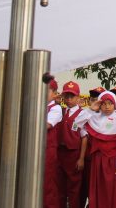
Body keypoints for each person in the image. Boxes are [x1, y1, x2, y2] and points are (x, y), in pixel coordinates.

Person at [84, 91, 116, 208]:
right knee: (96, 188)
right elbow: (78, 123)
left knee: (110, 189)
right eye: (104, 104)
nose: (107, 107)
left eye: (110, 103)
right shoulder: (95, 118)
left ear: (115, 104)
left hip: (111, 161)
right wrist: (91, 109)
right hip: (97, 159)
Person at [58, 81, 92, 208]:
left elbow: (84, 137)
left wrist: (81, 158)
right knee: (59, 187)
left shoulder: (82, 114)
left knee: (74, 188)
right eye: (66, 96)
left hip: (73, 154)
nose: (69, 99)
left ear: (78, 97)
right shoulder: (60, 111)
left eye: (72, 96)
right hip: (59, 153)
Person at [45, 78, 63, 208]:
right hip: (34, 150)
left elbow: (46, 125)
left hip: (47, 151)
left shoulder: (56, 108)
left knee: (47, 184)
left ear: (55, 93)